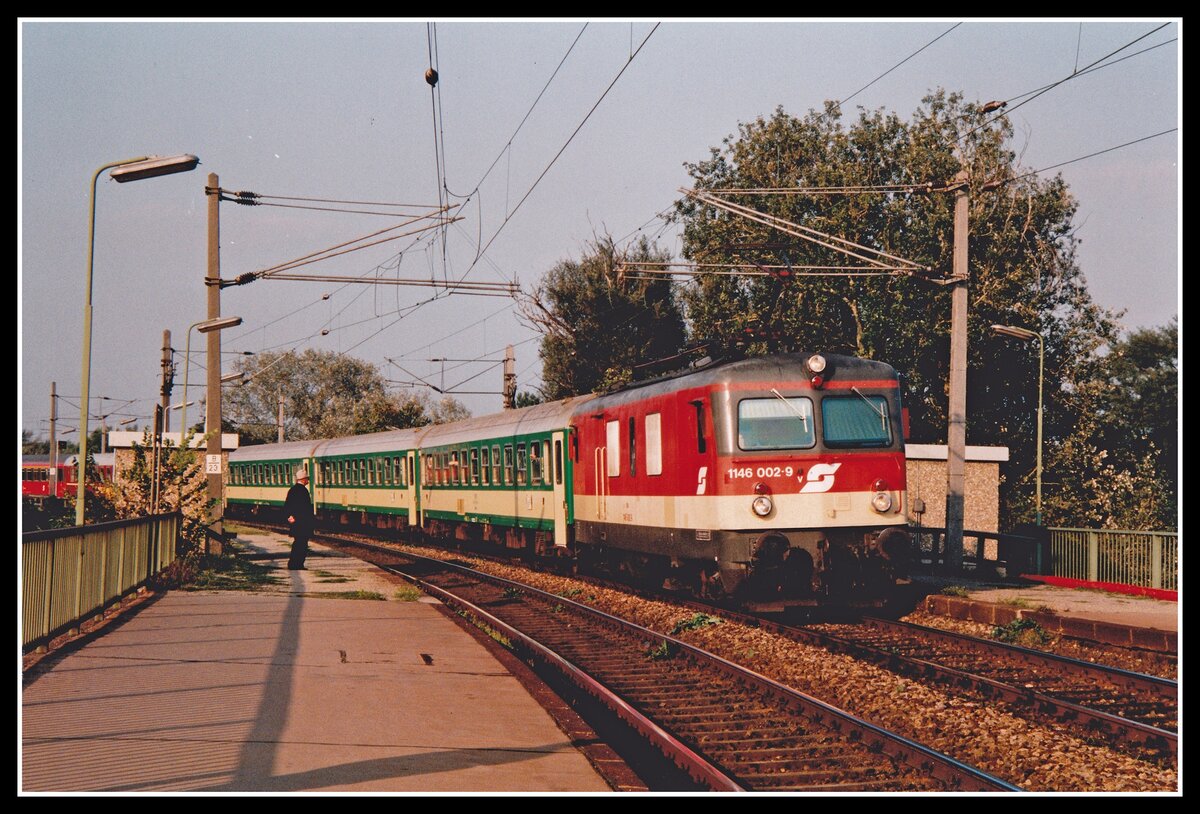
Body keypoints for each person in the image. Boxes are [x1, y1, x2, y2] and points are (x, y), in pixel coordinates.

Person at [284, 466, 314, 570]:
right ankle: (297, 564)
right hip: (303, 523)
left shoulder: (292, 490)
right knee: (302, 545)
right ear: (303, 479)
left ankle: (293, 563)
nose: (308, 481)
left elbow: (287, 505)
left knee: (297, 543)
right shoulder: (303, 491)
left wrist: (290, 517)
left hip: (296, 523)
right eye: (307, 479)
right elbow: (304, 508)